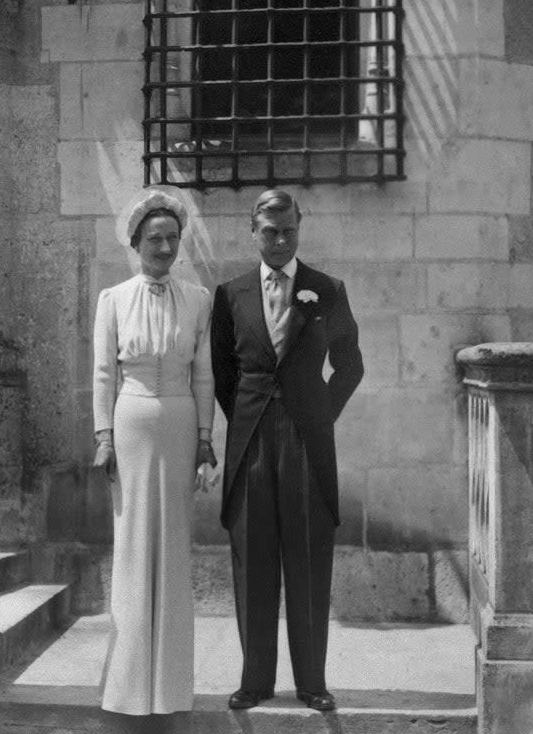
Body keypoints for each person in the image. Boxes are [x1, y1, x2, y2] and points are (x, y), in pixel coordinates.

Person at [210, 189, 364, 713]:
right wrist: (248, 419)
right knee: (252, 556)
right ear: (252, 231)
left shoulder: (327, 290)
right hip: (250, 438)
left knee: (306, 555)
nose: (279, 241)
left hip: (305, 441)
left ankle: (312, 682)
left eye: (288, 231)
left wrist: (319, 415)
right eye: (269, 231)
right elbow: (224, 375)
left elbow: (350, 365)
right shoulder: (229, 295)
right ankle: (255, 681)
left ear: (300, 227)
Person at [91, 189, 219, 716]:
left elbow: (204, 372)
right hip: (132, 423)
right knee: (133, 544)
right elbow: (102, 373)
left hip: (182, 423)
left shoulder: (198, 299)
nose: (164, 247)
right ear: (136, 242)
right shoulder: (113, 299)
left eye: (172, 238)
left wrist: (207, 439)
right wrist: (102, 437)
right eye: (154, 238)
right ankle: (127, 687)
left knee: (172, 545)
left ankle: (168, 688)